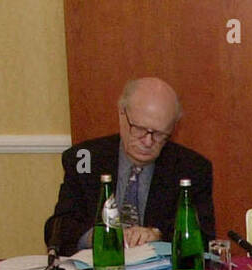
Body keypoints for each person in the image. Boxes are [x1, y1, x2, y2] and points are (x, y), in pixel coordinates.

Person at [48, 77, 215, 256]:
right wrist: (99, 236)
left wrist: (157, 235)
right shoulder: (85, 159)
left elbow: (204, 238)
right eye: (139, 129)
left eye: (159, 134)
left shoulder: (192, 167)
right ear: (122, 113)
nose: (148, 141)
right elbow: (57, 229)